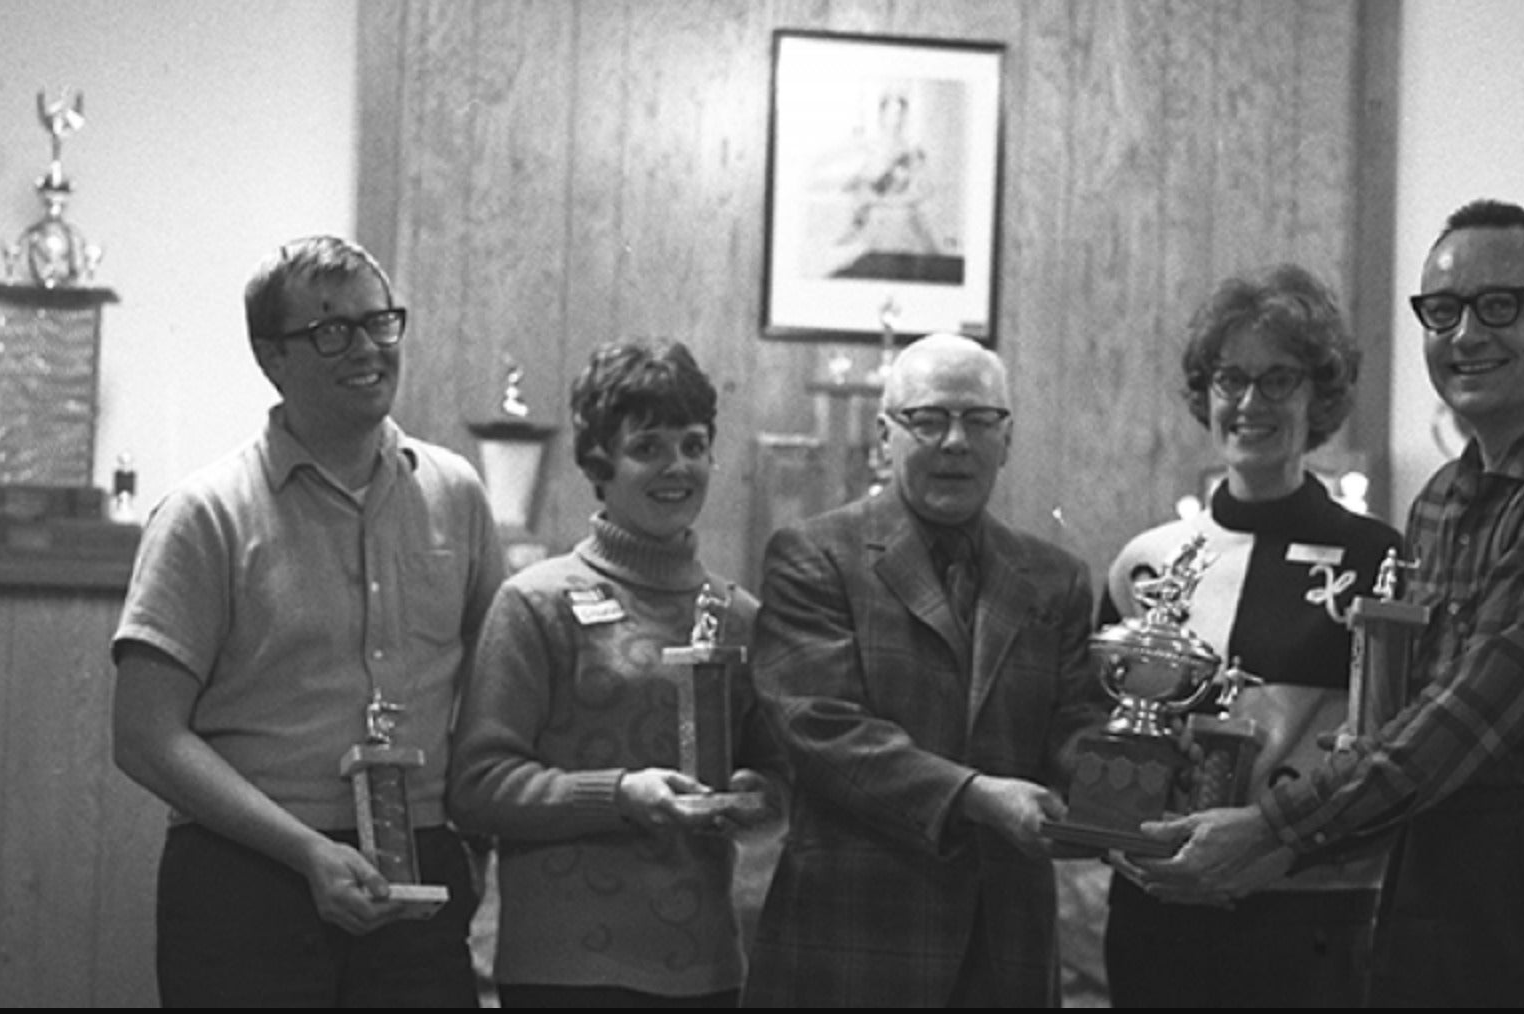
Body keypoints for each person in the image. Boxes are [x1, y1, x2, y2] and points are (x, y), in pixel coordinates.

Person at [1129, 199, 1524, 1006]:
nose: (1467, 334)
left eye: (1500, 305)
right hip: (1447, 869)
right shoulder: (1440, 500)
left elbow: (1471, 711)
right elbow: (1404, 716)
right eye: (1442, 312)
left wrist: (1276, 830)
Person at [110, 235, 504, 1006]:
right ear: (271, 357)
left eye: (379, 322)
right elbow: (144, 736)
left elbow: (498, 694)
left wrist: (473, 840)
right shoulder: (205, 514)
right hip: (246, 872)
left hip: (415, 874)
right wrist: (305, 853)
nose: (365, 347)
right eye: (331, 330)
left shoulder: (456, 494)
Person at [741, 333, 1105, 1007]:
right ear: (885, 437)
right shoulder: (813, 556)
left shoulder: (1057, 580)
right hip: (852, 944)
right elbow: (822, 731)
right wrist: (973, 795)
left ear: (1008, 438)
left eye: (979, 419)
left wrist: (1127, 787)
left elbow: (1076, 722)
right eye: (928, 419)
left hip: (1008, 951)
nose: (956, 441)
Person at [447, 340, 786, 1007]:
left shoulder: (739, 615)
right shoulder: (534, 602)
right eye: (649, 447)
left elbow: (776, 780)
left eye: (694, 445)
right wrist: (622, 794)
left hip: (706, 971)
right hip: (565, 974)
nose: (677, 467)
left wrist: (755, 797)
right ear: (599, 462)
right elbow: (478, 789)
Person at [1100, 267, 1402, 1007]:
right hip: (1158, 907)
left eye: (1278, 380)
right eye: (1230, 379)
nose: (1249, 403)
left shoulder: (1378, 560)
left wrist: (1273, 844)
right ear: (1205, 392)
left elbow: (1397, 752)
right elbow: (1097, 724)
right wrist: (1122, 828)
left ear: (1319, 395)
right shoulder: (1145, 560)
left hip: (1311, 915)